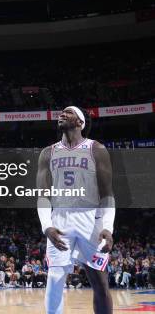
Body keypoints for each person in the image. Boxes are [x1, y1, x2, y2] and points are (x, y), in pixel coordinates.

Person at [37, 106, 115, 314]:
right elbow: (42, 195)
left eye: (68, 113)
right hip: (60, 219)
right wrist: (47, 226)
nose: (62, 115)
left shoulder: (95, 149)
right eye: (61, 113)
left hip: (90, 219)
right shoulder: (48, 153)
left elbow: (107, 193)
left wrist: (107, 227)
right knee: (54, 278)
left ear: (80, 122)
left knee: (99, 281)